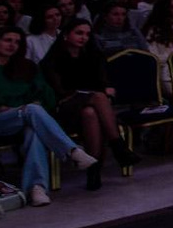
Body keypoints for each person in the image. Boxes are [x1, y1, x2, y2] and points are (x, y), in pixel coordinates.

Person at [0, 29, 95, 206]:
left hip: (28, 117)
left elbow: (46, 94)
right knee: (32, 111)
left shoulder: (26, 67)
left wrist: (37, 100)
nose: (12, 45)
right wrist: (1, 107)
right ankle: (71, 151)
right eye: (7, 40)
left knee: (34, 130)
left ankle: (36, 188)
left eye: (17, 42)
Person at [40, 17, 129, 189]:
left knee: (90, 112)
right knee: (98, 98)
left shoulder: (94, 56)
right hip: (64, 107)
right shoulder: (52, 60)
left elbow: (103, 83)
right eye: (79, 33)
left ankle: (93, 170)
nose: (84, 37)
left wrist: (99, 91)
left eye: (87, 34)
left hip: (90, 108)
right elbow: (59, 92)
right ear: (66, 35)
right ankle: (117, 145)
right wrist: (89, 93)